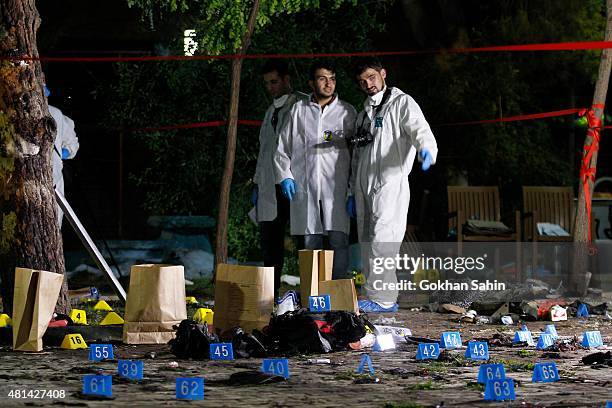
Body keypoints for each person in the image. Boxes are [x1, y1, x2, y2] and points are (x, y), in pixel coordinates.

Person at [347, 57, 438, 313]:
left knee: (383, 240)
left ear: (383, 74)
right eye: (363, 81)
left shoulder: (401, 103)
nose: (368, 84)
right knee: (366, 240)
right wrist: (352, 191)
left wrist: (426, 150)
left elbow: (420, 129)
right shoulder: (365, 113)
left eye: (372, 78)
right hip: (364, 186)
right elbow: (357, 154)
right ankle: (372, 294)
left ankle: (384, 298)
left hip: (390, 183)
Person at [275, 60, 356, 279]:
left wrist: (353, 190)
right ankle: (313, 293)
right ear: (312, 83)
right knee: (311, 243)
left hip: (336, 189)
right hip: (306, 187)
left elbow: (357, 154)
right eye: (323, 78)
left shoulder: (347, 112)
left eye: (332, 78)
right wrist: (285, 176)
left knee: (338, 240)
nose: (329, 84)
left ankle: (337, 290)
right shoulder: (298, 111)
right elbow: (283, 147)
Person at [253, 60, 307, 297]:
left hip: (294, 185)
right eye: (266, 84)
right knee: (270, 246)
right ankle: (270, 297)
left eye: (274, 82)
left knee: (304, 243)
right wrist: (256, 182)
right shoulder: (270, 111)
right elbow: (265, 150)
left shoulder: (302, 105)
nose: (270, 87)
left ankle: (310, 295)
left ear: (286, 79)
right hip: (268, 186)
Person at [45, 85, 79, 227]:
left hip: (54, 177)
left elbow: (72, 146)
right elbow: (72, 146)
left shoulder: (55, 113)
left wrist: (59, 155)